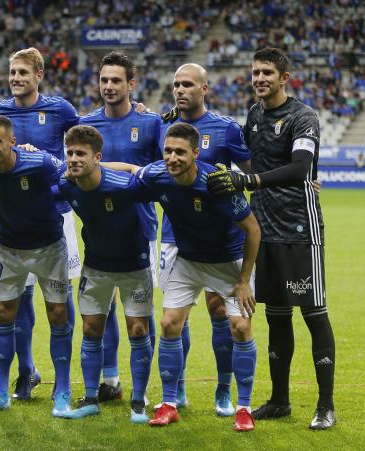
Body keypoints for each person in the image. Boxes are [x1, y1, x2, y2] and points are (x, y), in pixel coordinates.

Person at [207, 47, 336, 430]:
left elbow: (300, 167)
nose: (260, 78)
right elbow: (237, 149)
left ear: (284, 77)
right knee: (278, 318)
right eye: (256, 72)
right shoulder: (254, 113)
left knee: (314, 315)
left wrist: (251, 181)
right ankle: (280, 400)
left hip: (301, 229)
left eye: (267, 73)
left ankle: (325, 405)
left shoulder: (302, 117)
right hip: (264, 229)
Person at [105, 122, 260, 432]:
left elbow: (253, 230)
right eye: (167, 151)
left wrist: (243, 280)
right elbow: (130, 173)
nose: (172, 158)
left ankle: (243, 408)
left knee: (240, 327)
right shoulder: (158, 174)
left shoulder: (216, 183)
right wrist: (91, 166)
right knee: (168, 323)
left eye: (179, 152)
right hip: (188, 261)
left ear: (195, 152)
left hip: (227, 261)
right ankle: (170, 403)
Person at [155, 63, 252, 415]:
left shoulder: (225, 129)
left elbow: (252, 171)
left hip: (217, 240)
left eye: (188, 84)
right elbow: (151, 169)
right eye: (176, 84)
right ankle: (176, 391)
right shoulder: (162, 125)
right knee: (173, 316)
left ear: (205, 89)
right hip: (172, 236)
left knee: (217, 311)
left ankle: (224, 391)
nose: (180, 90)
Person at [0, 47, 80, 400]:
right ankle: (26, 371)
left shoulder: (61, 110)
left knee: (60, 299)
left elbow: (85, 143)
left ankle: (63, 378)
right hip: (14, 220)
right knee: (18, 299)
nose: (15, 79)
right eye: (12, 72)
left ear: (38, 75)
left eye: (23, 73)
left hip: (57, 216)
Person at [0, 115, 73, 417]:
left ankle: (63, 390)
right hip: (10, 249)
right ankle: (1, 391)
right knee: (3, 313)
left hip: (50, 248)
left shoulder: (39, 162)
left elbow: (69, 177)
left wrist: (44, 198)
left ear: (12, 142)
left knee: (57, 314)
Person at [55, 125, 153, 424]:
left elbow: (152, 181)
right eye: (70, 153)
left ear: (97, 157)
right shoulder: (66, 185)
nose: (73, 159)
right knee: (90, 330)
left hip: (134, 265)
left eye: (80, 154)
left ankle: (138, 401)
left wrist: (134, 167)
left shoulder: (124, 186)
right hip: (96, 266)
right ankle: (89, 398)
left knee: (138, 330)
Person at [79, 51, 161, 403]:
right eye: (104, 80)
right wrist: (122, 168)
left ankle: (144, 389)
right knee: (102, 311)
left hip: (139, 230)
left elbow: (162, 170)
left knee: (140, 315)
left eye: (116, 80)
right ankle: (109, 379)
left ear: (131, 84)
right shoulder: (86, 125)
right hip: (98, 232)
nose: (109, 86)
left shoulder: (151, 123)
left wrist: (113, 169)